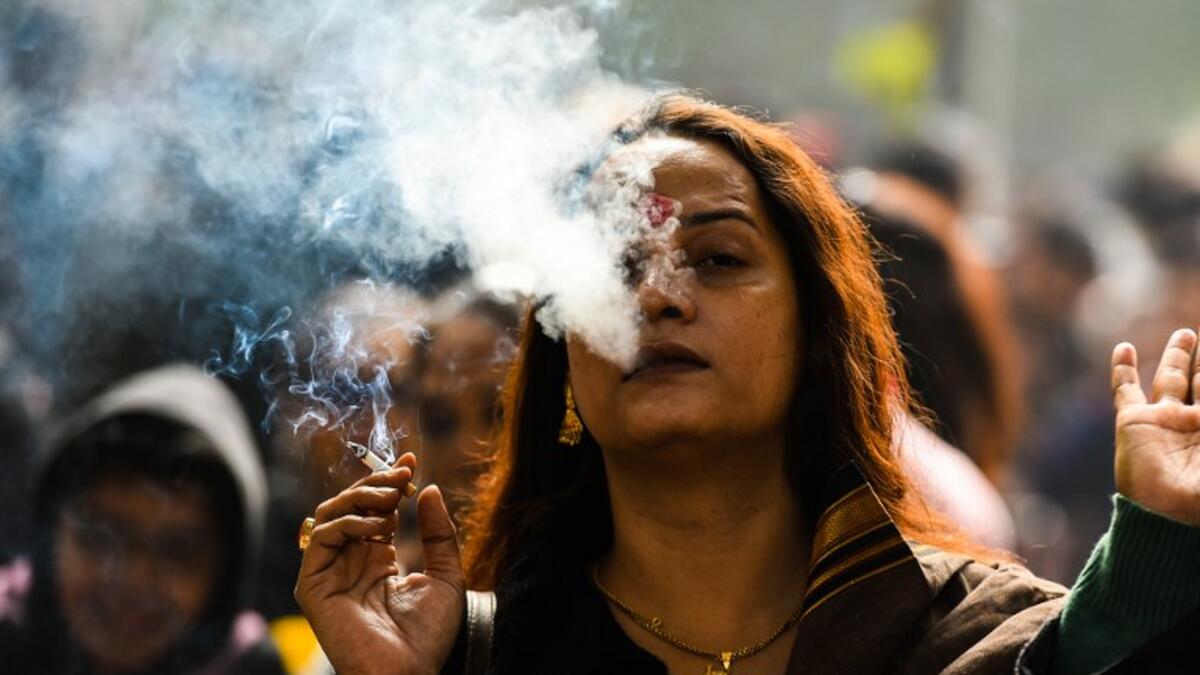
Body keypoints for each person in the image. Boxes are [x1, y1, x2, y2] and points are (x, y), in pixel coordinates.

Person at [294, 95, 1200, 674]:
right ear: (566, 358)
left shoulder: (971, 641)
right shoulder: (471, 652)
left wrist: (1158, 549)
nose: (658, 296)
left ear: (812, 336)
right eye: (616, 266)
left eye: (719, 259)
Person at [0, 364, 286, 674]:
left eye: (177, 553)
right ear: (52, 531)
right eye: (101, 538)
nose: (134, 578)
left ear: (226, 575)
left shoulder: (250, 667)